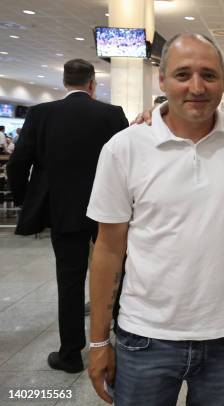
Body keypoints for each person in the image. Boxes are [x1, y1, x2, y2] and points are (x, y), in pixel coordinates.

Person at [86, 33, 224, 406]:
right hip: (145, 337)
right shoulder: (124, 148)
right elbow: (107, 249)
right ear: (162, 80)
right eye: (183, 74)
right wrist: (99, 340)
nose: (196, 87)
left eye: (209, 75)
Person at [6, 59, 128, 373]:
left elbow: (18, 164)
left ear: (65, 82)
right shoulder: (111, 115)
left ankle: (71, 353)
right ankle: (123, 342)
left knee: (69, 281)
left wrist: (28, 201)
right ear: (92, 84)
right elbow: (130, 162)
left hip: (62, 210)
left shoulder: (40, 114)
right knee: (116, 275)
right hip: (108, 211)